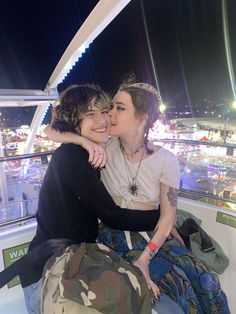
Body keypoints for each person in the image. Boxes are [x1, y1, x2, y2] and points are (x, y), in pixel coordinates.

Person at [45, 80, 230, 314]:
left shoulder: (166, 160)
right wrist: (81, 140)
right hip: (113, 235)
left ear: (142, 117)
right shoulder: (105, 145)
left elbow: (167, 217)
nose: (109, 115)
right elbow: (50, 130)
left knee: (206, 279)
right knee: (178, 287)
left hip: (152, 236)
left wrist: (146, 258)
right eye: (110, 107)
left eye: (119, 108)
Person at [20, 84, 168, 314]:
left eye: (104, 111)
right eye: (90, 114)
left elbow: (51, 130)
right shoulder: (73, 158)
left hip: (69, 262)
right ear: (73, 120)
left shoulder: (85, 151)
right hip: (47, 274)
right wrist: (164, 217)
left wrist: (84, 141)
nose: (102, 120)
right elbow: (114, 216)